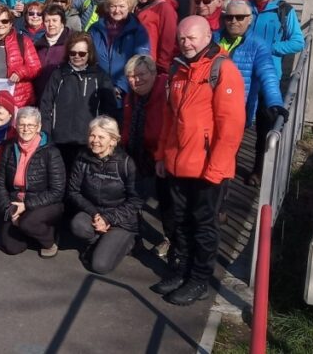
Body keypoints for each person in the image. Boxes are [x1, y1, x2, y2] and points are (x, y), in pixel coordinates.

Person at [151, 16, 245, 306]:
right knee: (179, 222)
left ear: (207, 36)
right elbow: (170, 119)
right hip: (178, 162)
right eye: (182, 38)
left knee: (203, 225)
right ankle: (182, 270)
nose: (186, 43)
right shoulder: (179, 69)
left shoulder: (222, 70)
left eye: (192, 38)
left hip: (207, 168)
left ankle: (199, 280)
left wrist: (216, 169)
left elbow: (231, 126)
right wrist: (161, 155)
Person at [217, 0, 287, 185]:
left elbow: (268, 74)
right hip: (209, 108)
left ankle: (221, 205)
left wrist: (275, 102)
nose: (234, 21)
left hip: (236, 111)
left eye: (240, 17)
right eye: (229, 17)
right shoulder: (213, 39)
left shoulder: (258, 45)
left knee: (226, 158)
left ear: (250, 19)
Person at [67, 115, 142, 274]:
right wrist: (95, 214)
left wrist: (108, 219)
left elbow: (135, 201)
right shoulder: (82, 158)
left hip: (120, 220)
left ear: (113, 141)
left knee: (100, 266)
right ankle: (99, 241)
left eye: (101, 137)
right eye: (92, 135)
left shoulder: (126, 163)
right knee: (77, 224)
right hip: (94, 213)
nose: (95, 140)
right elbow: (73, 191)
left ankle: (129, 242)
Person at [0, 106, 66, 258]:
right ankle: (31, 231)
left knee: (28, 223)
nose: (26, 129)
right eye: (21, 125)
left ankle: (49, 239)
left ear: (38, 127)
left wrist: (26, 206)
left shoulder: (51, 152)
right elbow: (0, 182)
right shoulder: (8, 147)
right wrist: (9, 209)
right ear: (16, 125)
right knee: (11, 247)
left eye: (31, 125)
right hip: (16, 200)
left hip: (44, 203)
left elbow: (57, 191)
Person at [38, 32, 117, 167]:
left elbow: (109, 110)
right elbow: (46, 105)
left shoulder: (100, 77)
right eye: (73, 53)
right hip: (60, 141)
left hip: (89, 141)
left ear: (89, 54)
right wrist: (46, 133)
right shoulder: (59, 74)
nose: (77, 57)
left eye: (82, 53)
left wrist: (105, 138)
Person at [121, 54, 174, 258]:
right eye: (131, 77)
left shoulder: (166, 91)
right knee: (133, 194)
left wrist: (163, 155)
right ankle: (134, 234)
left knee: (166, 200)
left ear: (153, 73)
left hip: (162, 153)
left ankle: (171, 239)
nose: (136, 80)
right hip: (138, 151)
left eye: (141, 74)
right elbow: (127, 124)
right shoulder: (131, 96)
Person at [88, 0, 150, 104]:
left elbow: (140, 60)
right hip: (98, 89)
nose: (117, 10)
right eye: (113, 6)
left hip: (126, 92)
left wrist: (121, 87)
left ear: (129, 7)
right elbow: (89, 58)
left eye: (122, 6)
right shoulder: (95, 29)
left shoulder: (137, 30)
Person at [247, 0, 304, 81]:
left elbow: (298, 43)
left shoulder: (285, 10)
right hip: (244, 74)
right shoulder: (242, 8)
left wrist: (270, 48)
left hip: (270, 76)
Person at [135, 0, 179, 73]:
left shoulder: (165, 8)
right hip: (140, 61)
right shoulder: (144, 6)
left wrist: (162, 67)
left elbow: (168, 40)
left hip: (152, 66)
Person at [32, 4, 70, 98]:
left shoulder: (71, 42)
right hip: (41, 94)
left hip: (64, 95)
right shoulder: (37, 44)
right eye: (47, 21)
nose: (51, 24)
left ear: (62, 22)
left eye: (54, 20)